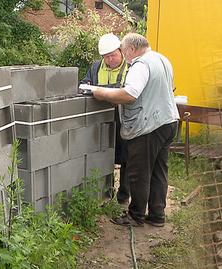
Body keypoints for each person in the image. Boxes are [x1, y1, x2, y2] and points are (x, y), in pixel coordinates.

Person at [91, 32, 179, 227]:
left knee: (139, 173)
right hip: (168, 121)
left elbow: (130, 94)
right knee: (158, 171)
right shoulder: (162, 59)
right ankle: (157, 215)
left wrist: (102, 93)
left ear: (131, 49)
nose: (124, 55)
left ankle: (135, 216)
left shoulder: (141, 65)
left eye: (123, 50)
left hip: (148, 127)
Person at [80, 33, 130, 205]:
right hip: (99, 119)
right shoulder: (96, 67)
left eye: (113, 55)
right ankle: (105, 192)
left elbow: (127, 91)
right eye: (106, 57)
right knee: (102, 154)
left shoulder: (130, 67)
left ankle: (124, 196)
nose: (109, 60)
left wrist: (100, 90)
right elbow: (84, 84)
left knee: (125, 157)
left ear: (121, 51)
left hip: (123, 118)